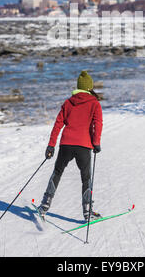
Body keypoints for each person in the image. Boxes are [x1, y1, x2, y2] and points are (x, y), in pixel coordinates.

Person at [38, 70, 103, 221]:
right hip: (83, 146)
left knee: (57, 173)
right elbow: (97, 124)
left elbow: (58, 124)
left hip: (66, 144)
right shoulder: (94, 103)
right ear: (89, 87)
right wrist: (96, 142)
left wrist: (51, 146)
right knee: (86, 178)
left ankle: (44, 205)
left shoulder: (68, 102)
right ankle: (87, 212)